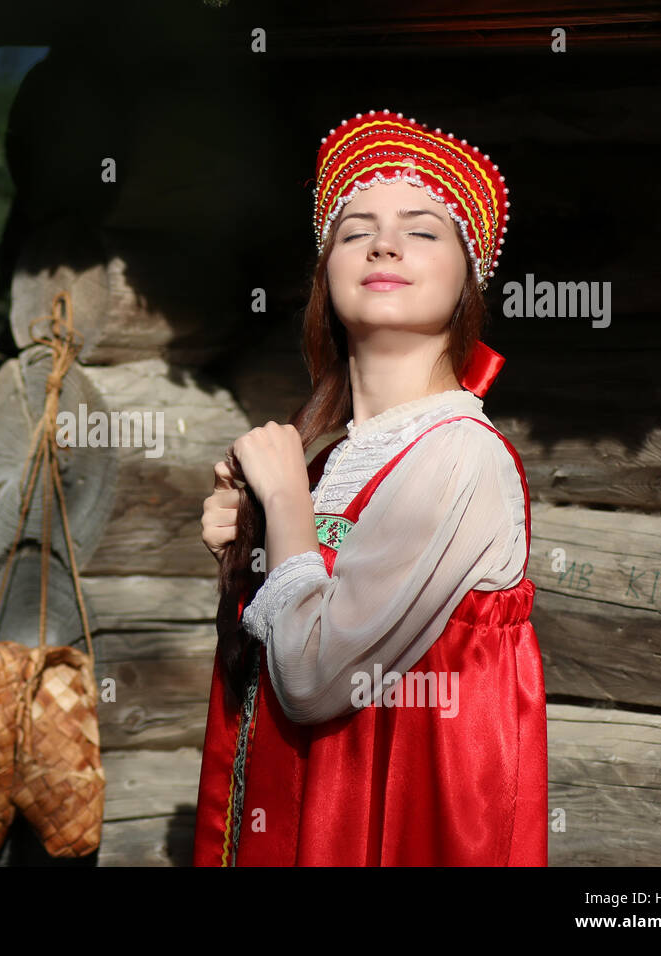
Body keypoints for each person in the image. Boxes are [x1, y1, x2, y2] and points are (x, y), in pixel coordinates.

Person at [194, 110, 547, 866]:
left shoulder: (459, 456)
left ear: (468, 280)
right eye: (355, 231)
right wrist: (250, 550)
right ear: (326, 273)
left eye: (423, 230)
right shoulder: (331, 463)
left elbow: (315, 676)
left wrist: (285, 501)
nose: (384, 243)